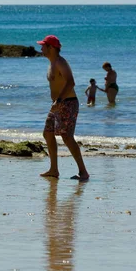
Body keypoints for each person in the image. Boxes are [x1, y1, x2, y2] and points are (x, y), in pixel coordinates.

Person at [37, 35, 89, 181]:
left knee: (67, 136)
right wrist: (56, 102)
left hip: (67, 102)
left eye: (43, 46)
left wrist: (59, 101)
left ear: (51, 48)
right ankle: (54, 170)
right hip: (57, 103)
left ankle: (83, 172)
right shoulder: (51, 63)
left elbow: (71, 82)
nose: (41, 48)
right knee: (48, 133)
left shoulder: (60, 62)